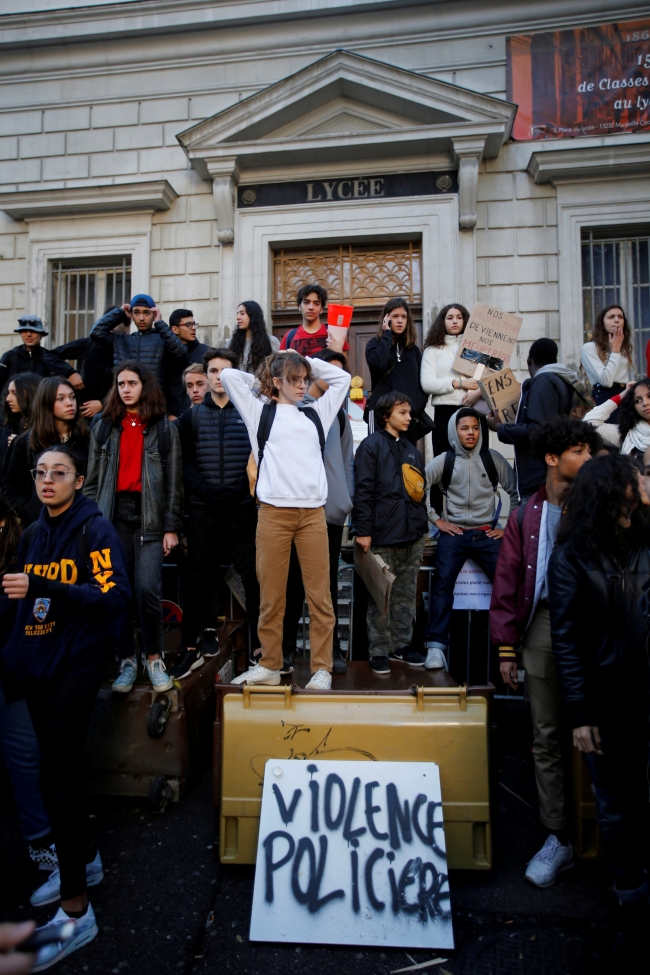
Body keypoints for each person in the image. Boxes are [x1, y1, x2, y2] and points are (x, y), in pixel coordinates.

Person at [0, 444, 130, 970]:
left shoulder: (93, 530)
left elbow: (114, 599)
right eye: (41, 472)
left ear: (79, 481)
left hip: (76, 666)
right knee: (58, 776)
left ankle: (77, 910)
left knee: (60, 778)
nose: (47, 480)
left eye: (60, 473)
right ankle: (87, 862)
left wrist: (46, 584)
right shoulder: (34, 534)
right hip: (39, 664)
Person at [490, 417, 601, 887]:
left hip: (594, 629)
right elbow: (509, 581)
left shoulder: (599, 506)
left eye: (590, 451)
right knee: (547, 735)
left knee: (600, 729)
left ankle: (607, 831)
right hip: (541, 625)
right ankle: (557, 837)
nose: (588, 459)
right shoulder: (526, 514)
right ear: (553, 458)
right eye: (578, 451)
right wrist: (507, 650)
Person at [549, 453, 650, 965]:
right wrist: (581, 711)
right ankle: (632, 903)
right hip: (608, 701)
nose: (646, 482)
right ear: (616, 491)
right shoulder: (571, 555)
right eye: (639, 479)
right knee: (616, 805)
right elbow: (565, 639)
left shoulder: (647, 537)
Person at [222, 350, 349, 690]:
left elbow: (342, 379)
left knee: (320, 596)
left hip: (312, 515)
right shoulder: (259, 412)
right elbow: (229, 377)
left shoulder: (317, 413)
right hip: (272, 514)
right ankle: (270, 664)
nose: (302, 386)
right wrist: (271, 375)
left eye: (305, 380)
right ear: (277, 382)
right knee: (271, 596)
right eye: (294, 380)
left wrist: (303, 359)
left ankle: (321, 667)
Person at [84, 361, 182, 693]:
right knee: (118, 591)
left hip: (150, 516)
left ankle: (153, 657)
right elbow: (92, 483)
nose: (126, 388)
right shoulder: (103, 425)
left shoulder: (164, 428)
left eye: (132, 383)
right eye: (121, 383)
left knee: (147, 590)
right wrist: (92, 523)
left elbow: (173, 483)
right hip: (113, 517)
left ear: (145, 386)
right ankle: (127, 659)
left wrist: (171, 527)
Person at [174, 348, 260, 679]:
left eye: (225, 371)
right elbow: (186, 465)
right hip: (203, 509)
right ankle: (188, 647)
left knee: (252, 577)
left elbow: (258, 458)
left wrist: (238, 490)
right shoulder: (190, 418)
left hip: (241, 508)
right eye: (213, 371)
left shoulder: (250, 414)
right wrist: (208, 492)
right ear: (206, 376)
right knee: (198, 577)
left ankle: (259, 649)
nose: (218, 377)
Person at [425, 408, 518, 670]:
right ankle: (435, 648)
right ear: (455, 430)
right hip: (454, 533)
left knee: (506, 584)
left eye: (475, 428)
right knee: (442, 585)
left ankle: (510, 646)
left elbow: (516, 492)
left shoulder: (493, 458)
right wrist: (435, 519)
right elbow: (417, 485)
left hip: (487, 533)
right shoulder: (445, 460)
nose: (471, 433)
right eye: (465, 428)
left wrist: (507, 528)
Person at [282, 348, 354, 675]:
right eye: (327, 372)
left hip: (329, 513)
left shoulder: (339, 416)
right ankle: (285, 651)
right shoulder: (291, 409)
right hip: (296, 507)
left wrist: (345, 499)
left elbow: (347, 462)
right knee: (293, 584)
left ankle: (332, 652)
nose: (332, 380)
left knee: (324, 585)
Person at [0, 493, 58, 874]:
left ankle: (43, 844)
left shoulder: (19, 565)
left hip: (13, 676)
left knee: (25, 757)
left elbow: (32, 627)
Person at [353, 391, 428, 674]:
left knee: (406, 597)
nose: (409, 417)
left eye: (409, 412)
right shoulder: (371, 446)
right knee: (380, 599)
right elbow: (362, 490)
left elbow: (420, 491)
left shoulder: (412, 449)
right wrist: (363, 531)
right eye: (403, 413)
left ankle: (401, 646)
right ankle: (379, 651)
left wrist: (422, 526)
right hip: (381, 536)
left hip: (413, 536)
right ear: (386, 416)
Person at [486, 338, 578, 502]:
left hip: (539, 479)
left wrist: (500, 427)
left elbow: (537, 430)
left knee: (534, 526)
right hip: (548, 475)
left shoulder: (543, 381)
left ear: (529, 360)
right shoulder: (561, 381)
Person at [2, 377, 89, 527]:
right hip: (41, 526)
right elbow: (11, 487)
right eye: (60, 399)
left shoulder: (87, 438)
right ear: (46, 403)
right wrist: (30, 512)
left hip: (80, 523)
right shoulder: (28, 442)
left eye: (72, 397)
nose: (70, 403)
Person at [88, 294, 186, 404]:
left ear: (153, 314)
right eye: (137, 312)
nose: (141, 318)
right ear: (131, 314)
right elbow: (96, 332)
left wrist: (160, 323)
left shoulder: (162, 339)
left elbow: (180, 351)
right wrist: (119, 313)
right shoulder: (121, 340)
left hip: (153, 404)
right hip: (124, 404)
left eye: (146, 313)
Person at [421, 303, 485, 455]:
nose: (455, 321)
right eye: (450, 318)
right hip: (445, 413)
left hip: (473, 410)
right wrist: (459, 383)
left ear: (465, 321)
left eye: (459, 317)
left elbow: (490, 376)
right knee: (445, 461)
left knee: (478, 460)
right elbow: (427, 383)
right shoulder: (432, 351)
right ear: (442, 322)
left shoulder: (478, 349)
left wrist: (478, 392)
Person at [365, 298, 429, 446]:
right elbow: (379, 364)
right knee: (380, 457)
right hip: (381, 414)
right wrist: (386, 336)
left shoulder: (413, 350)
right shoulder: (374, 344)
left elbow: (423, 384)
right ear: (386, 319)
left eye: (403, 316)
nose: (400, 320)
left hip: (407, 415)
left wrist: (413, 408)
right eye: (395, 316)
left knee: (407, 462)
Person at [52, 307, 130, 421]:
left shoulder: (130, 349)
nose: (112, 325)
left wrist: (103, 404)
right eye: (108, 321)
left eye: (117, 322)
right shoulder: (89, 344)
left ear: (127, 328)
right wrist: (70, 373)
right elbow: (50, 355)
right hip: (82, 415)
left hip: (114, 415)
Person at [0, 316, 81, 388]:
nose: (28, 334)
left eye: (33, 331)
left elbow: (55, 388)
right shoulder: (9, 356)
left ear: (42, 335)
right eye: (24, 331)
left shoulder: (50, 359)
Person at [582, 378, 650, 459]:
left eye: (649, 396)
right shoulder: (628, 434)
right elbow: (589, 423)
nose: (645, 403)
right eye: (638, 400)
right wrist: (622, 395)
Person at [581, 305, 633, 408]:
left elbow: (623, 377)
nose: (616, 320)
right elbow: (606, 381)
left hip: (624, 395)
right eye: (611, 317)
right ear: (602, 323)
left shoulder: (622, 347)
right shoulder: (589, 348)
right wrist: (615, 351)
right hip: (605, 396)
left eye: (620, 317)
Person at [279, 284, 348, 358]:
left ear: (321, 309)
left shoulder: (333, 334)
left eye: (316, 303)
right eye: (306, 302)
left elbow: (345, 367)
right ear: (299, 306)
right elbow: (280, 365)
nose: (311, 307)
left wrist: (338, 351)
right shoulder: (289, 336)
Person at [166, 308, 209, 419]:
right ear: (175, 329)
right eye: (188, 325)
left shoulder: (206, 352)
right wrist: (168, 415)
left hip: (202, 417)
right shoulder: (166, 354)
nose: (193, 328)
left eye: (194, 324)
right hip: (173, 419)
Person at [0, 373, 41, 474]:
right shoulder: (11, 426)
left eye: (15, 393)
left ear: (31, 393)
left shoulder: (43, 429)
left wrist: (21, 443)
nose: (8, 398)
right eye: (8, 393)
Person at [228, 301, 279, 374]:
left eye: (242, 314)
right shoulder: (231, 343)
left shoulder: (272, 341)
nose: (238, 317)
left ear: (253, 316)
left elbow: (277, 369)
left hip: (262, 384)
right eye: (237, 314)